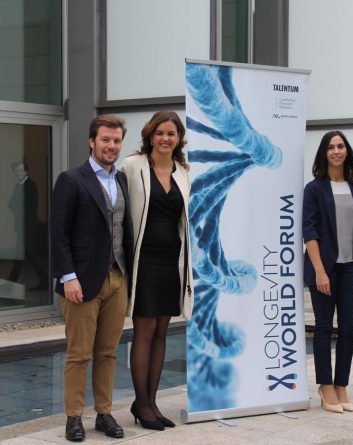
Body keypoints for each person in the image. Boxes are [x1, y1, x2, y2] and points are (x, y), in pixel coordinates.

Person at [51, 114, 133, 441]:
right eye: (105, 140)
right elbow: (58, 234)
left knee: (108, 352)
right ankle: (73, 417)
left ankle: (104, 413)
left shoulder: (122, 179)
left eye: (116, 141)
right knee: (79, 353)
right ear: (91, 142)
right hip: (82, 281)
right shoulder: (71, 180)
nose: (111, 146)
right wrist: (68, 277)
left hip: (117, 278)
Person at [121, 110, 193, 431]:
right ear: (150, 136)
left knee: (162, 331)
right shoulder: (132, 166)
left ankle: (150, 402)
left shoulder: (184, 172)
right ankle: (142, 403)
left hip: (171, 262)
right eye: (160, 133)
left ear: (178, 139)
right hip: (144, 261)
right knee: (145, 331)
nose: (165, 138)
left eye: (171, 134)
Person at [302, 131, 353, 414]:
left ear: (347, 151)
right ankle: (325, 385)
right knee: (322, 327)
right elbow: (309, 232)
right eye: (330, 147)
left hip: (351, 268)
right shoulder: (314, 189)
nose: (336, 151)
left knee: (348, 329)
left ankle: (341, 384)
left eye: (341, 146)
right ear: (324, 153)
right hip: (324, 268)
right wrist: (319, 271)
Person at [7, 161, 48, 290]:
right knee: (22, 255)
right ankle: (12, 281)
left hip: (28, 227)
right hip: (22, 227)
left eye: (20, 170)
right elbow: (11, 205)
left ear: (26, 171)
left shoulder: (30, 185)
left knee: (28, 254)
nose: (18, 173)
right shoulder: (18, 186)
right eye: (16, 171)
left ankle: (12, 282)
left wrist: (17, 205)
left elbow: (21, 206)